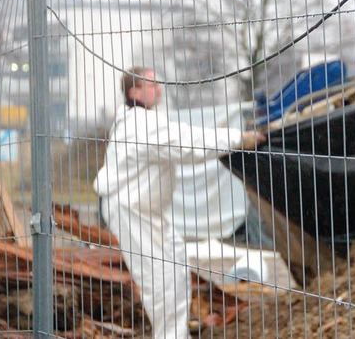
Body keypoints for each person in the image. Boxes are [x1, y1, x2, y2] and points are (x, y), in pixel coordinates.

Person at [93, 67, 266, 338]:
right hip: (132, 212)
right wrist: (236, 139)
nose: (158, 89)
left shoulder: (139, 120)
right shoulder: (139, 125)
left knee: (176, 269)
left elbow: (182, 136)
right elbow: (187, 142)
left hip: (145, 212)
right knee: (160, 281)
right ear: (134, 92)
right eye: (151, 85)